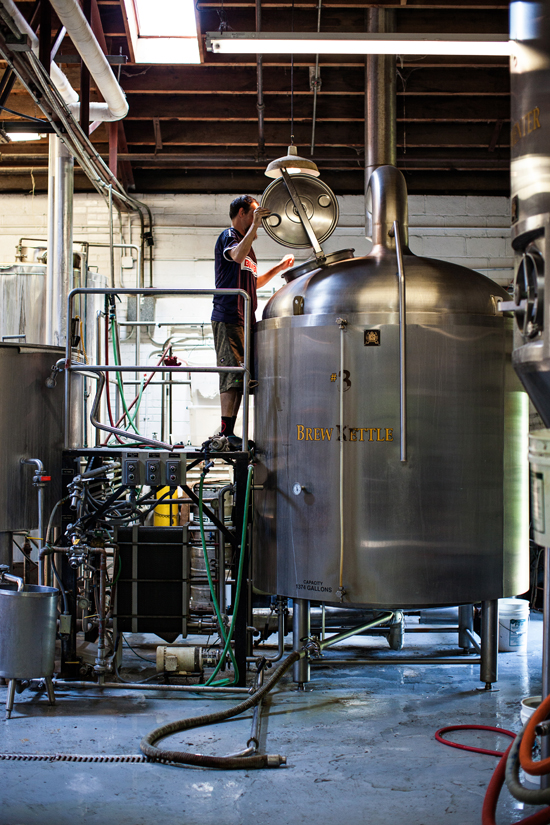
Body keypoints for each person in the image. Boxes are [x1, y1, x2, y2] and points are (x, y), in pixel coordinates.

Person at [211, 194, 294, 447]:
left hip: (246, 318)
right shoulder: (229, 236)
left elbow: (253, 282)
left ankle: (230, 432)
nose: (259, 218)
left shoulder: (250, 250)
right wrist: (256, 226)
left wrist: (278, 269)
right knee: (231, 374)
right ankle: (226, 432)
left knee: (241, 377)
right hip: (228, 315)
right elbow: (235, 256)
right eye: (254, 213)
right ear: (241, 213)